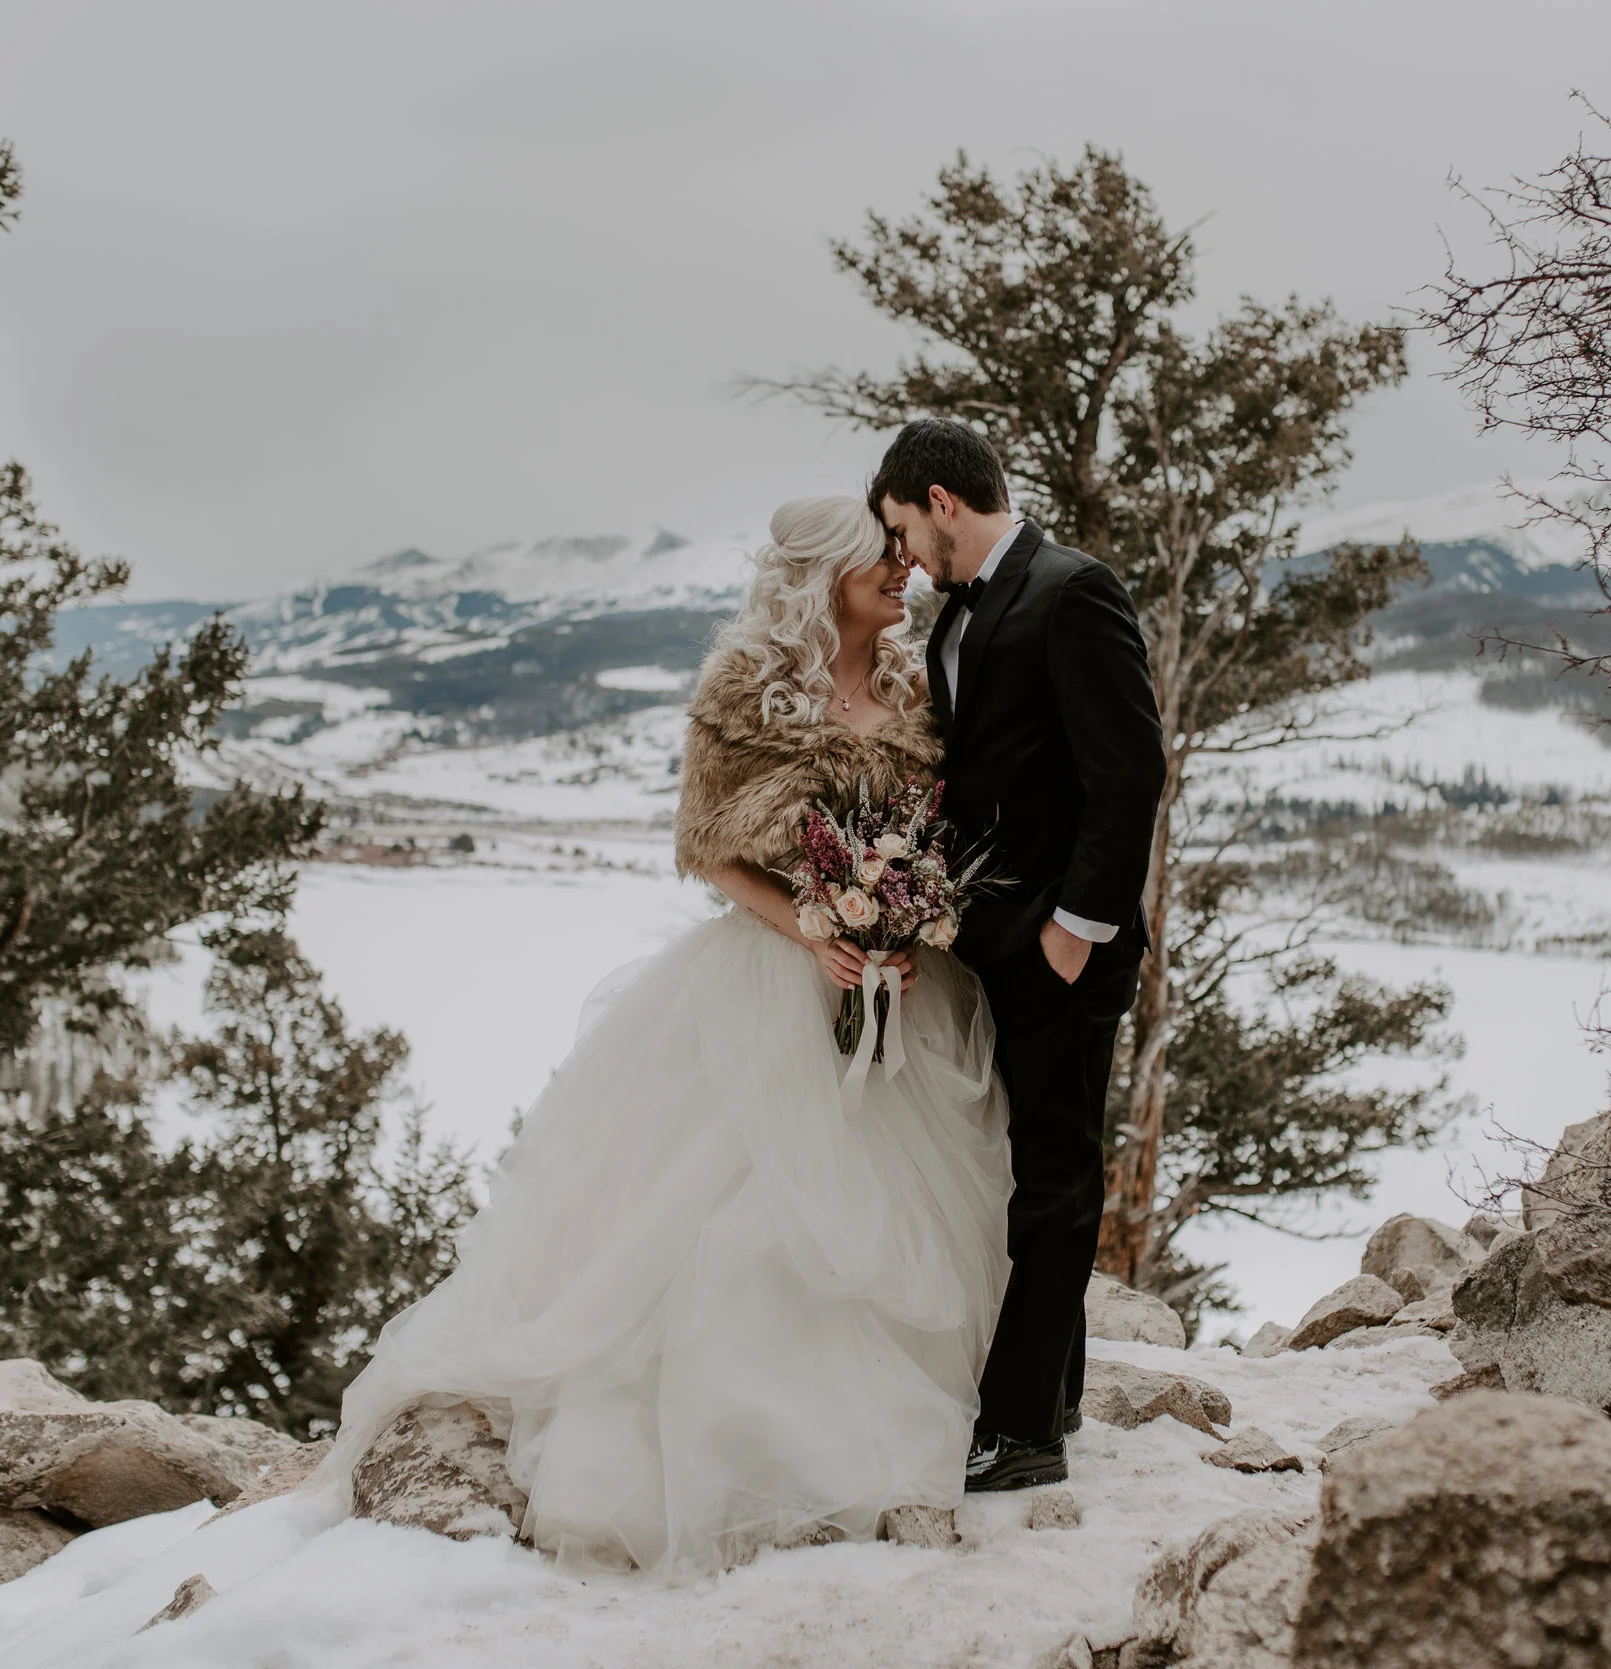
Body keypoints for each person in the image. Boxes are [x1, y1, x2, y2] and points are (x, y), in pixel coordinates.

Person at [302, 496, 1010, 1573]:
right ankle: (755, 1454)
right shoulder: (742, 689)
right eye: (881, 557)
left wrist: (903, 926)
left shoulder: (919, 681)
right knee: (745, 1228)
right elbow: (707, 848)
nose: (903, 571)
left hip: (906, 989)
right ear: (822, 573)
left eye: (903, 556)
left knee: (908, 1215)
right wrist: (818, 927)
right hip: (773, 983)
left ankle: (942, 1422)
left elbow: (940, 826)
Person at [872, 419, 1166, 1493]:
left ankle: (1019, 1432)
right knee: (1026, 1166)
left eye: (904, 532)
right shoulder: (969, 609)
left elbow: (1129, 772)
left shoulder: (1070, 588)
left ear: (942, 500)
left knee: (1053, 1179)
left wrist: (1073, 930)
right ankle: (1059, 1394)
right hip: (996, 937)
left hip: (1062, 946)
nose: (903, 559)